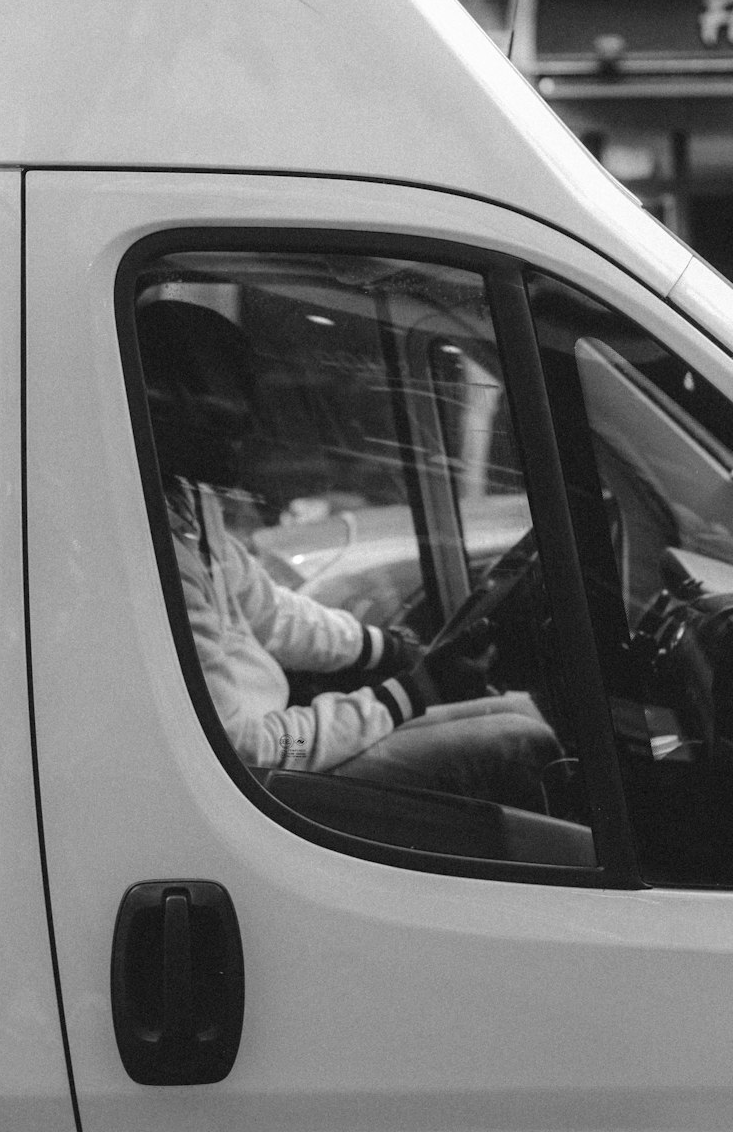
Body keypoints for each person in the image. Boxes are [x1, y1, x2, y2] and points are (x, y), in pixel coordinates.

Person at [136, 298, 562, 812]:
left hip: (278, 752)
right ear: (160, 411)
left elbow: (269, 611)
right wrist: (410, 691)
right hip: (266, 788)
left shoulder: (187, 499)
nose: (249, 432)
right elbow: (245, 750)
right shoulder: (156, 556)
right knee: (523, 744)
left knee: (520, 709)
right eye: (224, 420)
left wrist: (383, 646)